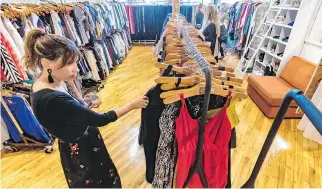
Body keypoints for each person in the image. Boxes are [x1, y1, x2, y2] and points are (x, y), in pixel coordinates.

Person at [24, 29, 149, 188]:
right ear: (46, 62)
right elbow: (100, 119)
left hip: (77, 142)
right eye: (69, 63)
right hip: (82, 151)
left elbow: (70, 105)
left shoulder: (47, 80)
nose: (76, 68)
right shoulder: (52, 99)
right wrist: (132, 105)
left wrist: (82, 101)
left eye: (75, 62)